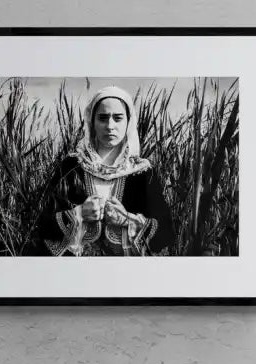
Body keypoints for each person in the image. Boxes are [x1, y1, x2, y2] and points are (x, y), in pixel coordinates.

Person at [24, 85, 170, 256]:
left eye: (118, 118)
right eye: (103, 118)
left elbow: (166, 233)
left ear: (128, 122)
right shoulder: (72, 166)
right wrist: (78, 213)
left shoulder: (142, 172)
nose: (110, 125)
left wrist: (128, 220)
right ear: (92, 122)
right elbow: (42, 225)